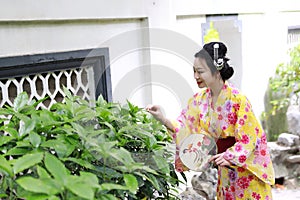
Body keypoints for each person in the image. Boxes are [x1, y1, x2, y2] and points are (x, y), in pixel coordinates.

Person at [146, 41, 275, 199]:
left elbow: (250, 138)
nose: (195, 76)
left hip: (248, 172)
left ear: (216, 71)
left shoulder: (238, 99)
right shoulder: (199, 100)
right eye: (194, 71)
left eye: (200, 71)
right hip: (226, 171)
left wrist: (230, 155)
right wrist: (163, 119)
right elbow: (185, 126)